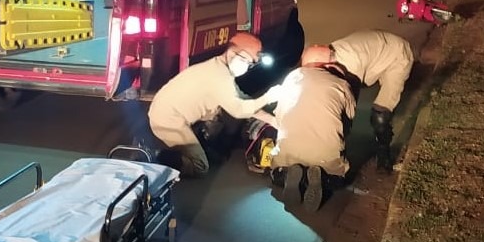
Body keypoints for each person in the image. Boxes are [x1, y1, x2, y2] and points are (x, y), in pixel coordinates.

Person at [147, 32, 280, 178]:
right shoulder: (219, 77)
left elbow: (243, 100)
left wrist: (272, 120)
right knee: (200, 166)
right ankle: (153, 156)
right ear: (231, 53)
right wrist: (268, 97)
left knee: (222, 114)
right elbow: (239, 110)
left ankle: (198, 146)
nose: (247, 67)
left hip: (171, 111)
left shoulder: (219, 67)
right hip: (167, 119)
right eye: (246, 62)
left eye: (251, 64)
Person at [271, 45, 357, 212]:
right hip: (325, 156)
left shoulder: (290, 79)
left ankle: (287, 174)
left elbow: (279, 118)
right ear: (330, 64)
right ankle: (322, 178)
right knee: (339, 178)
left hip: (288, 153)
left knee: (276, 174)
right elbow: (349, 120)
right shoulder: (341, 84)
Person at [328, 30, 415, 172]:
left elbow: (348, 109)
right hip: (374, 52)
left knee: (380, 114)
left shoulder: (351, 63)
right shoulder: (322, 58)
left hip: (397, 55)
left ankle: (383, 155)